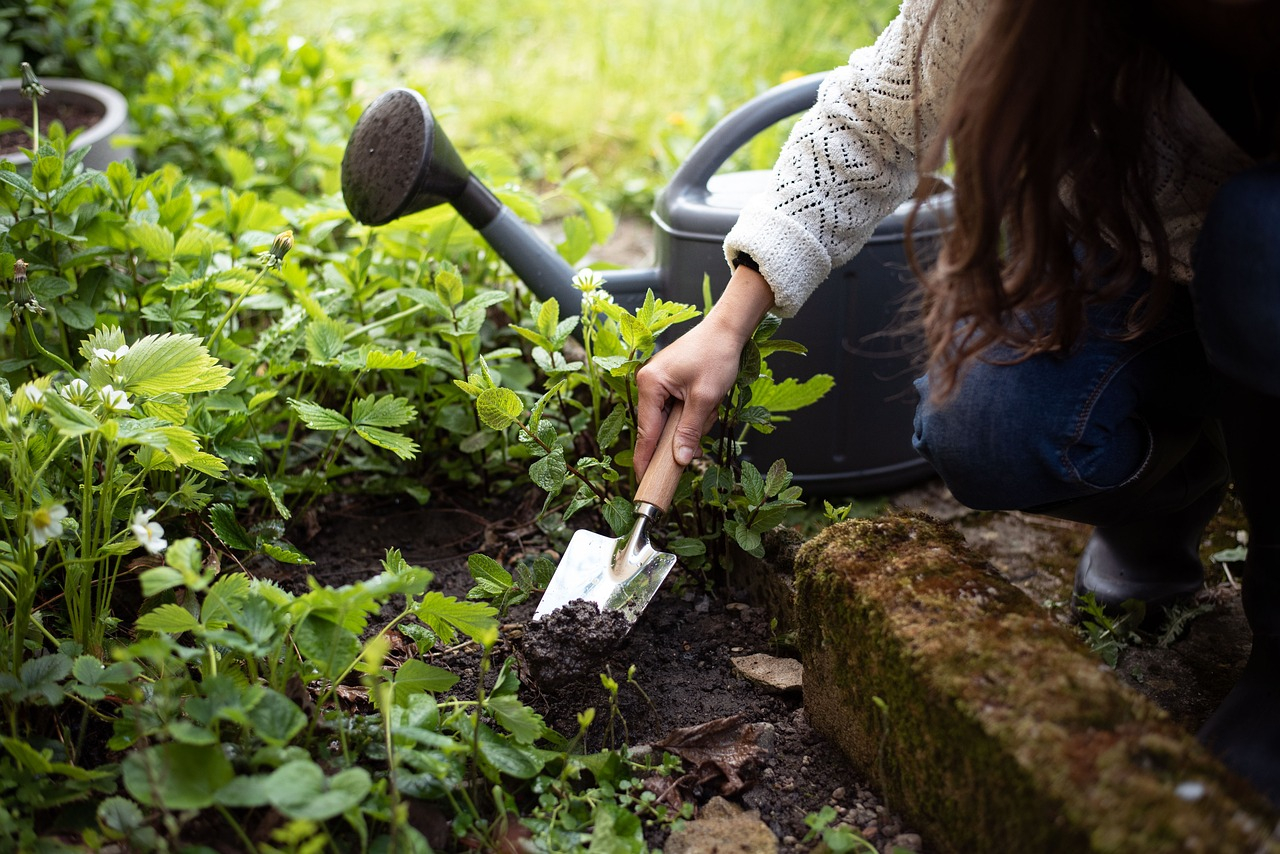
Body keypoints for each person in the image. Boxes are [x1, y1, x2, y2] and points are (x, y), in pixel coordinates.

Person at [633, 0, 1280, 804]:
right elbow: (873, 117)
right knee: (983, 428)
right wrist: (728, 320)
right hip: (1138, 254)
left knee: (1258, 238)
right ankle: (1176, 495)